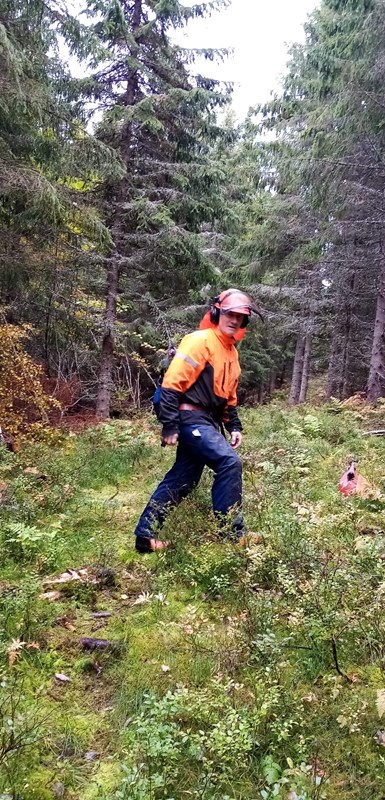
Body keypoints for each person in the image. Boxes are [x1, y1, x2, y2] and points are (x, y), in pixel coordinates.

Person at [134, 289, 262, 553]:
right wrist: (170, 424)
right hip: (190, 416)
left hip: (207, 420)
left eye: (240, 317)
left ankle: (144, 539)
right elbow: (171, 384)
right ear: (217, 313)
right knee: (229, 462)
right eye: (230, 314)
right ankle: (231, 534)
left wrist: (234, 426)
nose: (235, 320)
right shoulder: (200, 340)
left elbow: (229, 397)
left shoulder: (232, 354)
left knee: (183, 479)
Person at [152, 346, 176, 419]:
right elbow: (157, 371)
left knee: (172, 404)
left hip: (174, 385)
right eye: (170, 352)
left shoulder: (179, 362)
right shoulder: (164, 362)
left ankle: (171, 419)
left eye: (173, 352)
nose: (171, 354)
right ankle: (160, 418)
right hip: (162, 383)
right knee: (156, 401)